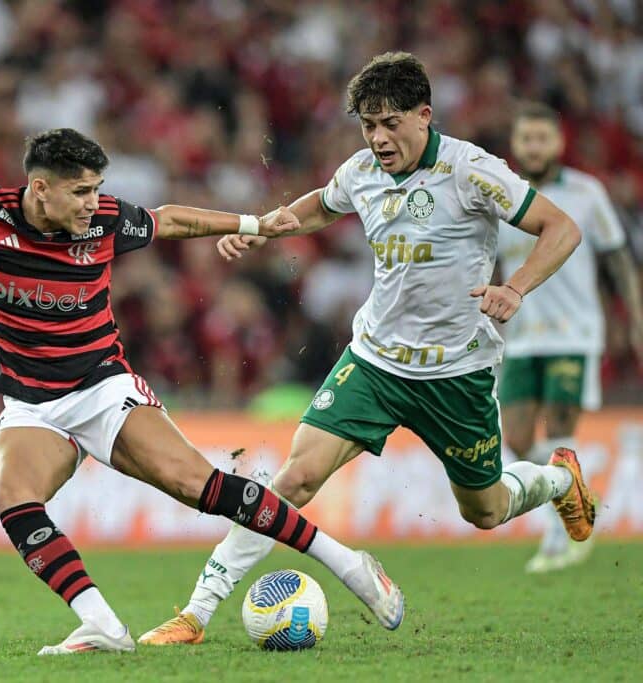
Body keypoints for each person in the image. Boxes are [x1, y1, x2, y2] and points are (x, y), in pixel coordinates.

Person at [0, 92, 405, 655]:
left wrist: (251, 225)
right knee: (11, 496)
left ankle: (350, 566)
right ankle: (101, 625)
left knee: (199, 486)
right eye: (80, 191)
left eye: (98, 188)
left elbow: (173, 218)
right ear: (39, 188)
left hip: (103, 389)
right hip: (32, 406)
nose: (94, 203)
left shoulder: (102, 223)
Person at [138, 51, 593, 646]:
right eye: (367, 124)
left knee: (484, 511)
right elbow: (319, 206)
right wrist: (258, 229)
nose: (378, 137)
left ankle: (558, 482)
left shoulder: (473, 171)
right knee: (295, 479)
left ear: (424, 115)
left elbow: (562, 229)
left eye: (390, 123)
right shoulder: (362, 172)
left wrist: (514, 287)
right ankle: (196, 615)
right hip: (374, 362)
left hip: (456, 372)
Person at [497, 102, 643, 573]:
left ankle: (557, 541)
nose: (534, 147)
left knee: (559, 435)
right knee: (517, 439)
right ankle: (575, 487)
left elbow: (618, 258)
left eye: (543, 138)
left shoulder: (586, 193)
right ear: (516, 145)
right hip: (519, 338)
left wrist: (637, 318)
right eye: (526, 139)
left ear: (559, 142)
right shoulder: (503, 196)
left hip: (573, 335)